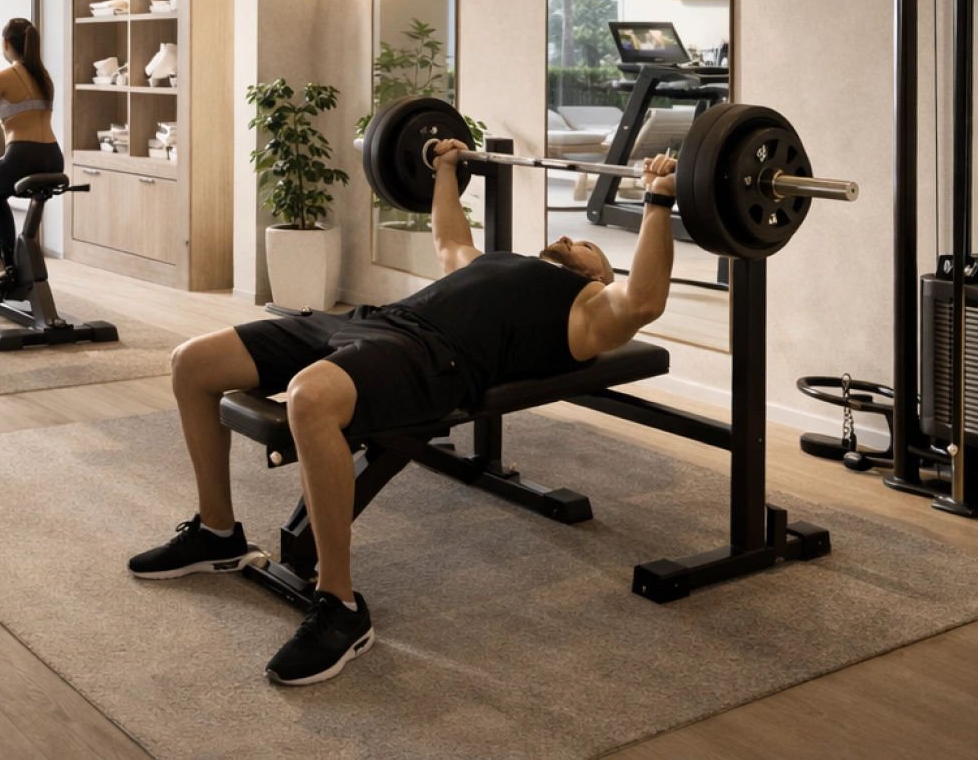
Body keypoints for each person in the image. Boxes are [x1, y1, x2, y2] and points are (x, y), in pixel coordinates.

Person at [129, 139, 680, 686]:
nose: (565, 238)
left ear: (600, 277)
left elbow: (644, 301)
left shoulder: (588, 309)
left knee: (309, 397)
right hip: (370, 320)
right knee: (191, 362)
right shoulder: (501, 262)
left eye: (584, 244)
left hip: (431, 357)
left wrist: (658, 198)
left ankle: (340, 606)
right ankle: (217, 532)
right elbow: (449, 241)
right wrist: (444, 168)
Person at [0, 17, 64, 289]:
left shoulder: (1, 77)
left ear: (5, 43)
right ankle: (8, 265)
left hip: (22, 156)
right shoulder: (44, 77)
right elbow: (24, 112)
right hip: (53, 156)